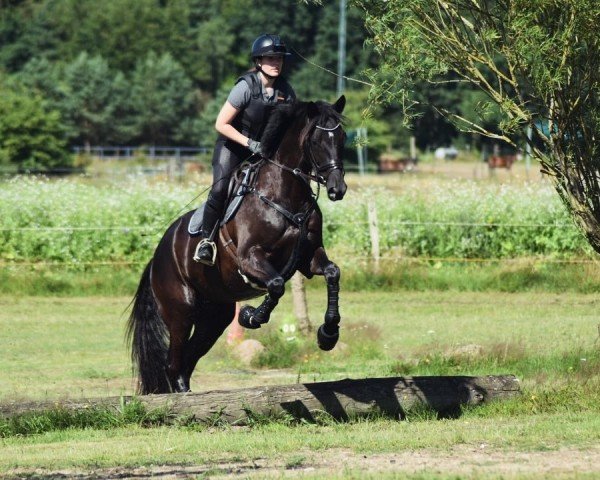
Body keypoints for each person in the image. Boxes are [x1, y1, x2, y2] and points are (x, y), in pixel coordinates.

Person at [193, 33, 297, 266]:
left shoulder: (286, 92)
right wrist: (250, 143)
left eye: (279, 59)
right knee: (220, 190)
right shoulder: (245, 87)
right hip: (232, 147)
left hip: (263, 152)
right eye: (270, 59)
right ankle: (206, 242)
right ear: (258, 61)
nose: (276, 63)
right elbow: (221, 124)